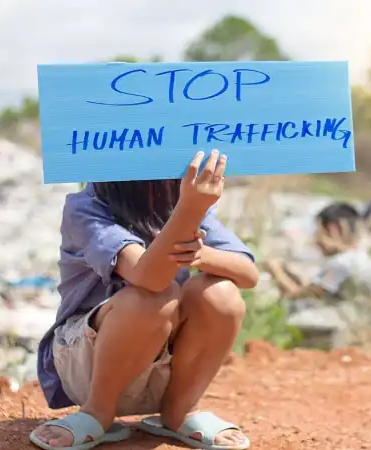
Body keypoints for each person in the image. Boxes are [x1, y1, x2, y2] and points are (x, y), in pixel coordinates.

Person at [30, 150, 258, 450]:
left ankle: (180, 411)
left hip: (162, 368)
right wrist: (190, 208)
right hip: (89, 364)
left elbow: (248, 275)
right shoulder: (87, 208)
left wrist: (201, 253)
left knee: (221, 293)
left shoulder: (177, 203)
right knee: (153, 297)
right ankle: (97, 412)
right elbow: (149, 277)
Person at [267, 202, 371, 346]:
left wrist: (276, 271)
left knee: (292, 318)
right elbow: (313, 286)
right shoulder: (362, 258)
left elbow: (299, 294)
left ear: (333, 229)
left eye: (318, 232)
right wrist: (289, 272)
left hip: (367, 330)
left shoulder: (341, 262)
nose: (315, 240)